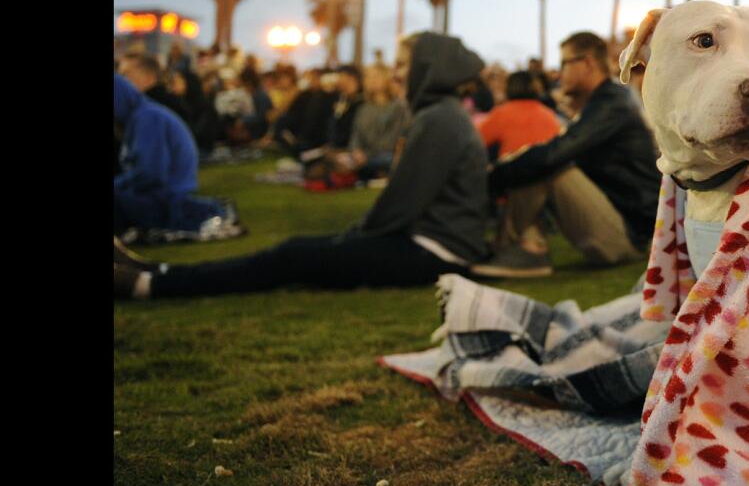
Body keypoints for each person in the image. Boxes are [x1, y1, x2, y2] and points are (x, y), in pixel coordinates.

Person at [114, 32, 494, 299]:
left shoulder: (439, 120)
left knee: (293, 255)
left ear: (427, 67)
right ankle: (159, 272)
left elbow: (401, 204)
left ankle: (151, 285)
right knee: (303, 250)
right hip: (425, 245)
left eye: (401, 64)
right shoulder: (440, 115)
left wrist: (353, 240)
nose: (395, 73)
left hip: (435, 257)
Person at [471, 31, 661, 279]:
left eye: (564, 63)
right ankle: (518, 245)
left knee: (547, 165)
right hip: (625, 229)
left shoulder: (612, 102)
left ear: (588, 63)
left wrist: (493, 176)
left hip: (632, 239)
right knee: (535, 161)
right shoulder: (606, 100)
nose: (560, 74)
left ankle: (529, 249)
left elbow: (554, 154)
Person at [113, 75, 227, 237]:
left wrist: (117, 184)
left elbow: (151, 174)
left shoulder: (147, 118)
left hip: (166, 200)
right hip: (160, 196)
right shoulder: (140, 117)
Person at [340, 63, 409, 182]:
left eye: (376, 76)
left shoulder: (398, 107)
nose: (372, 80)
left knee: (388, 160)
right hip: (363, 158)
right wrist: (356, 151)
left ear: (386, 78)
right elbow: (355, 137)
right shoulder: (363, 108)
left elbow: (393, 140)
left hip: (385, 156)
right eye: (369, 76)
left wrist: (366, 155)